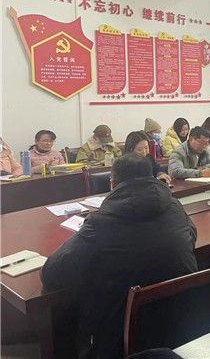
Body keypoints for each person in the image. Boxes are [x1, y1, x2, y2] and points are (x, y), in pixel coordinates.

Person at [41, 154, 198, 359]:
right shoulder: (175, 207)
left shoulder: (101, 223)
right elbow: (191, 236)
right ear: (152, 177)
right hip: (181, 324)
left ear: (113, 184)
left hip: (120, 336)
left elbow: (52, 273)